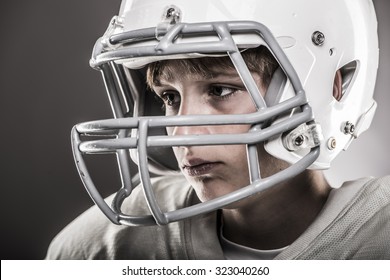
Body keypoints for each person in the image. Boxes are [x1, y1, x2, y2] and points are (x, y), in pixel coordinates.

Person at [46, 0, 390, 259]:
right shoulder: (106, 246)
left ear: (330, 89)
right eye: (169, 96)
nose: (181, 135)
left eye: (220, 90)